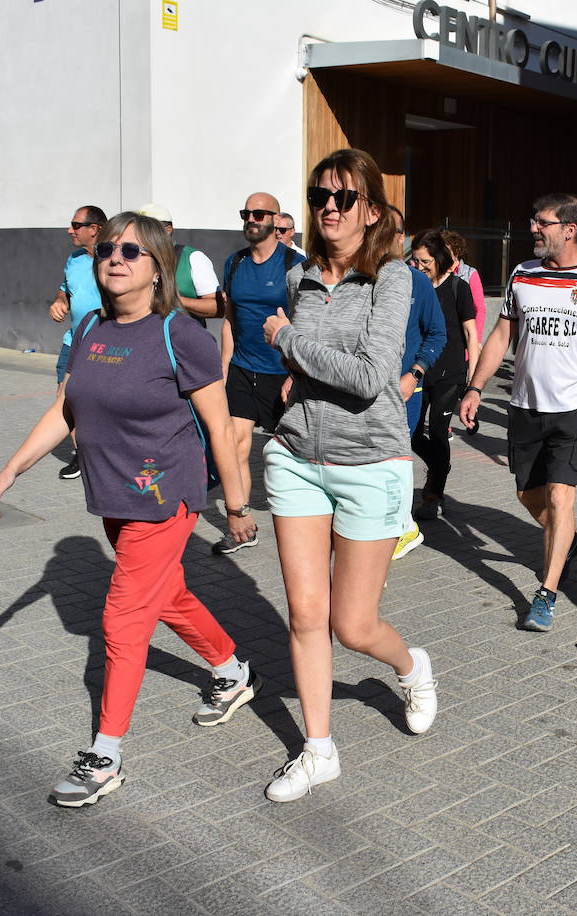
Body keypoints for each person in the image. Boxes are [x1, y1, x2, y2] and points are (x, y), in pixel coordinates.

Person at [0, 212, 260, 807]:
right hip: (112, 496)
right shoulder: (88, 328)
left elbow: (218, 426)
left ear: (157, 266)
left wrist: (236, 505)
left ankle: (105, 755)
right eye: (107, 247)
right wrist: (13, 468)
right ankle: (233, 671)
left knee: (122, 618)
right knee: (164, 594)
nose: (115, 257)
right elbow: (66, 410)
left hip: (166, 499)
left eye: (131, 250)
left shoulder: (179, 334)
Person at [260, 148, 437, 802]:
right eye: (318, 196)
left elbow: (369, 377)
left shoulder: (393, 278)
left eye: (342, 197)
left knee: (351, 625)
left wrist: (287, 343)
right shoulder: (298, 276)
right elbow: (320, 362)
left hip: (369, 461)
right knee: (306, 614)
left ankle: (410, 665)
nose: (328, 207)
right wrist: (295, 368)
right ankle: (318, 749)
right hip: (297, 457)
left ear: (370, 209)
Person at [459, 193, 577, 632]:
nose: (534, 229)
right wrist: (476, 387)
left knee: (560, 497)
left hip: (573, 410)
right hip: (523, 409)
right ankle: (566, 539)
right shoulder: (522, 274)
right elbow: (500, 337)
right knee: (528, 497)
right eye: (534, 221)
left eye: (543, 223)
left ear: (570, 229)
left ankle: (546, 593)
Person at [213, 192, 298, 555]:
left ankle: (306, 529)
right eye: (246, 212)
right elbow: (230, 319)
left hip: (284, 373)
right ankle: (242, 522)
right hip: (243, 369)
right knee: (236, 444)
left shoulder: (295, 264)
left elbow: (307, 321)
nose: (251, 218)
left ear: (276, 220)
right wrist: (223, 367)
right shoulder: (234, 264)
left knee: (294, 453)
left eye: (259, 213)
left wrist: (297, 372)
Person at [409, 230, 480, 519]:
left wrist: (474, 384)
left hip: (451, 372)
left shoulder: (457, 288)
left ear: (438, 259)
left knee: (439, 431)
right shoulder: (414, 286)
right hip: (419, 370)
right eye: (414, 260)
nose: (418, 266)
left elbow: (471, 334)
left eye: (424, 261)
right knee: (412, 433)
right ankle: (440, 465)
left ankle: (432, 495)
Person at [390, 206, 447, 560]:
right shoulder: (363, 278)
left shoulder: (418, 282)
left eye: (392, 231)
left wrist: (414, 373)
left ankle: (402, 527)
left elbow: (437, 334)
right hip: (367, 387)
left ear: (402, 238)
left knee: (396, 457)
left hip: (405, 389)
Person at [48, 205, 106, 480]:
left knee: (105, 401)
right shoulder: (74, 259)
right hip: (74, 342)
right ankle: (82, 454)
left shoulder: (114, 259)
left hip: (105, 344)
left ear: (94, 229)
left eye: (76, 225)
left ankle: (108, 455)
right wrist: (59, 302)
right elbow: (64, 291)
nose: (70, 230)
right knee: (67, 398)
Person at [134, 203, 220, 326]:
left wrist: (175, 300)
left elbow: (216, 308)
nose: (141, 234)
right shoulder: (132, 257)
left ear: (167, 230)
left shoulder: (193, 258)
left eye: (148, 229)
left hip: (181, 341)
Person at [440, 228, 486, 340]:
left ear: (456, 252)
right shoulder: (437, 273)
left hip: (464, 335)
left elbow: (480, 309)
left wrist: (476, 339)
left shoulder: (470, 273)